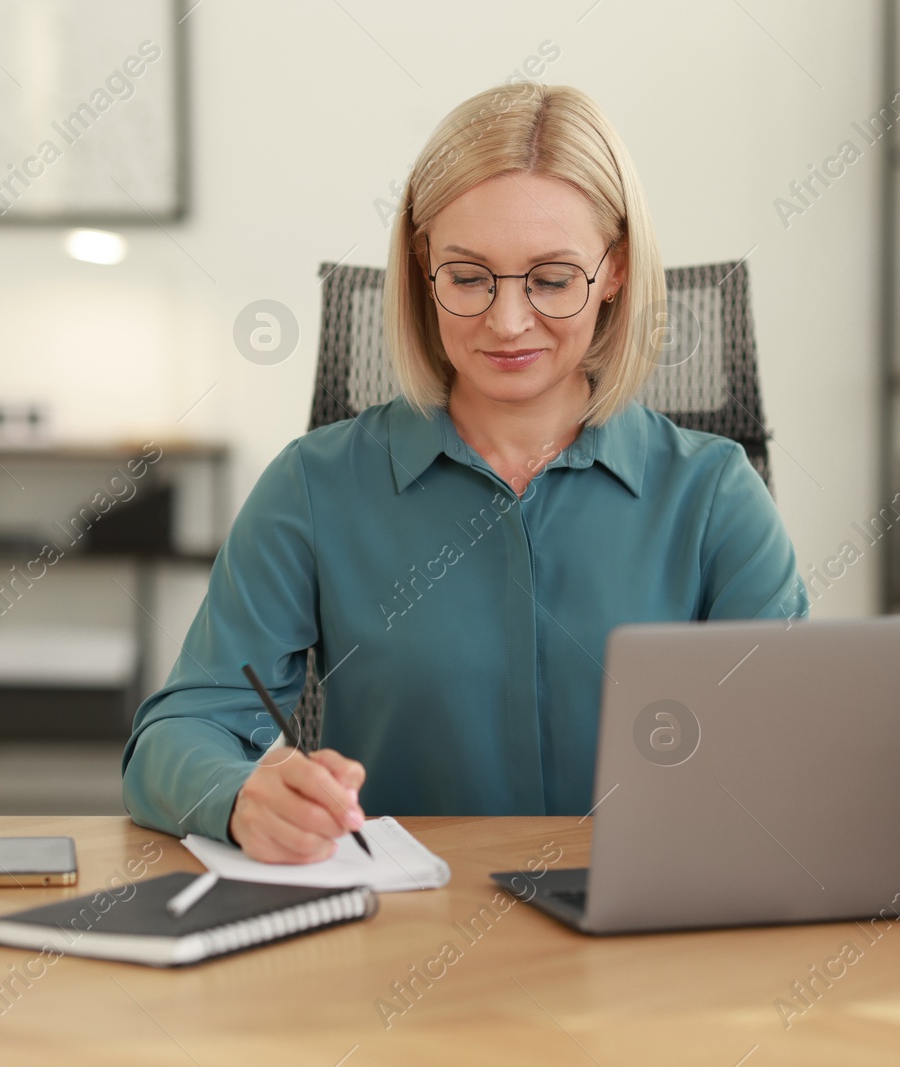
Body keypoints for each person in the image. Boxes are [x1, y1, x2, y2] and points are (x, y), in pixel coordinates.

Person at [122, 83, 807, 862]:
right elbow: (179, 734)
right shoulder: (313, 488)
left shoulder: (715, 496)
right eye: (468, 276)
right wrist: (243, 795)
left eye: (551, 279)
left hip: (645, 947)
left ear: (614, 270)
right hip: (397, 949)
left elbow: (796, 756)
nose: (507, 321)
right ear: (422, 267)